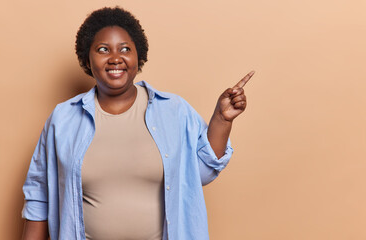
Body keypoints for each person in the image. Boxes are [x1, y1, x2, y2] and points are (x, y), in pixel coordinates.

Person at [21, 6, 254, 240]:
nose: (115, 58)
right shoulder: (62, 120)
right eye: (103, 49)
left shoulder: (174, 110)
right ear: (87, 57)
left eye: (125, 49)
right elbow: (39, 198)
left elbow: (201, 174)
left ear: (137, 55)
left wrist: (221, 120)